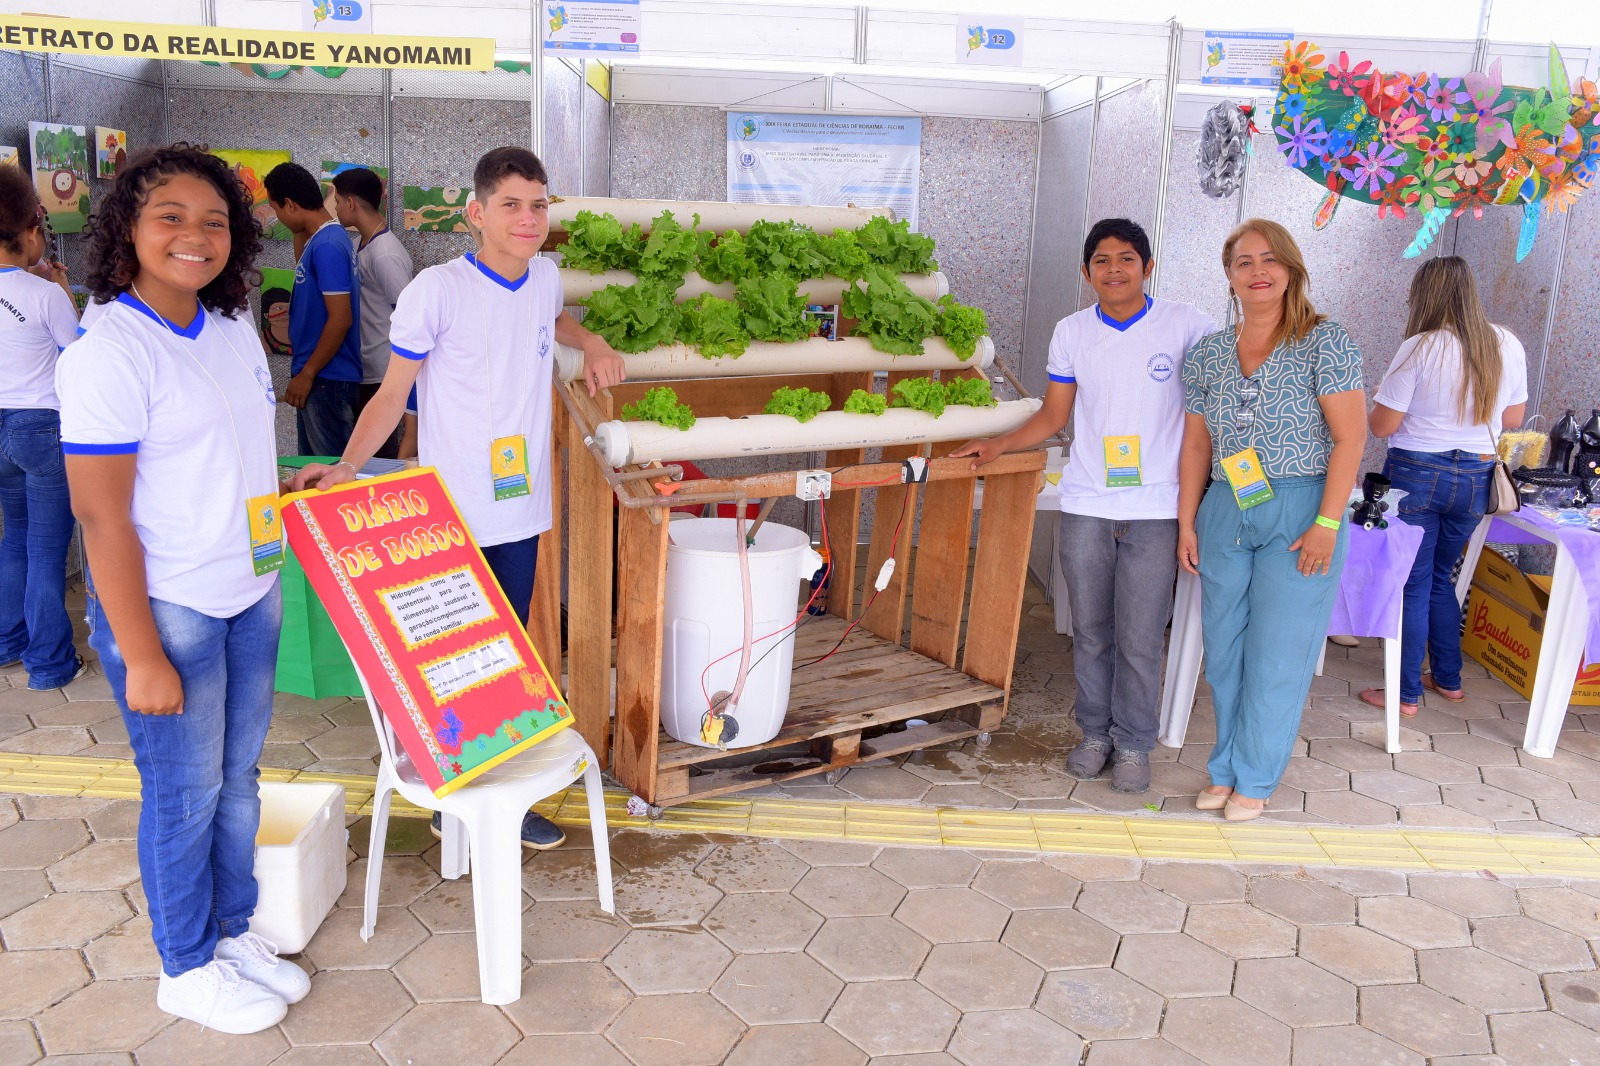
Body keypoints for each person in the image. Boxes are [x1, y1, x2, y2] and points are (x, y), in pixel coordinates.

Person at [291, 146, 626, 849]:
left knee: (504, 662)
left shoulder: (544, 278)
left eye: (538, 203)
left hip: (522, 510)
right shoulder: (437, 291)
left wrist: (591, 339)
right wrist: (349, 466)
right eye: (511, 204)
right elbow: (391, 395)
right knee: (449, 663)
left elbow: (554, 321)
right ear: (477, 214)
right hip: (451, 515)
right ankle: (451, 798)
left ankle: (502, 797)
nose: (528, 217)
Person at [57, 144, 310, 1033]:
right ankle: (185, 964)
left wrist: (286, 495)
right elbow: (101, 519)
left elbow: (233, 455)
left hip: (253, 588)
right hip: (176, 611)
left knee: (238, 782)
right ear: (127, 226)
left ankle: (232, 932)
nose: (194, 237)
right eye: (170, 216)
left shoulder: (232, 323)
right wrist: (140, 654)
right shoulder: (107, 351)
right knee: (184, 794)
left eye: (214, 221)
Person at [953, 218, 1214, 792]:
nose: (1114, 269)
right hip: (1088, 504)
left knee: (1142, 635)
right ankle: (1095, 733)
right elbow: (1052, 416)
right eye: (1102, 260)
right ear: (1086, 271)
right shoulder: (1072, 331)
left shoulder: (1188, 325)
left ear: (1148, 266)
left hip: (1157, 510)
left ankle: (1134, 743)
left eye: (1126, 258)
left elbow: (1211, 411)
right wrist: (997, 444)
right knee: (1092, 630)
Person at [1177, 218, 1366, 822]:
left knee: (1278, 652)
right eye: (1243, 262)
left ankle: (1255, 777)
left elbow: (1350, 440)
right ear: (1229, 275)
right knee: (1226, 648)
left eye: (1269, 260)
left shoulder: (1325, 341)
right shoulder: (1209, 352)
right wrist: (1187, 523)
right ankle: (1225, 767)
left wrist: (1328, 524)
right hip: (1227, 506)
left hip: (1300, 505)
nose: (1258, 272)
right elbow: (1197, 448)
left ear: (1290, 268)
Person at [1362, 257, 1527, 717]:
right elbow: (1511, 420)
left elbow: (1382, 426)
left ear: (1424, 295)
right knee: (1440, 578)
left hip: (1417, 473)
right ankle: (1449, 680)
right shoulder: (1507, 343)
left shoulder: (1420, 346)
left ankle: (1404, 693)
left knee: (1413, 582)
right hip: (1476, 477)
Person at [0, 166, 85, 690]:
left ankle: (8, 642)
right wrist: (64, 288)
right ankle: (50, 663)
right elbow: (79, 359)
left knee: (14, 541)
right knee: (46, 549)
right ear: (31, 232)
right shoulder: (42, 293)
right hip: (41, 427)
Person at [263, 161, 362, 458]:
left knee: (331, 474)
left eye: (277, 210)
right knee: (313, 471)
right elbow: (301, 266)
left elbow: (341, 318)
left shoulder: (329, 244)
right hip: (317, 375)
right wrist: (300, 224)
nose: (278, 218)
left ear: (290, 204)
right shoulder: (319, 239)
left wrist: (307, 374)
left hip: (325, 379)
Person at [332, 167, 412, 459]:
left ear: (351, 204)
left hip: (381, 370)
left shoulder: (386, 253)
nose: (337, 208)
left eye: (338, 201)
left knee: (377, 455)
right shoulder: (359, 244)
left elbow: (407, 316)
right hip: (361, 366)